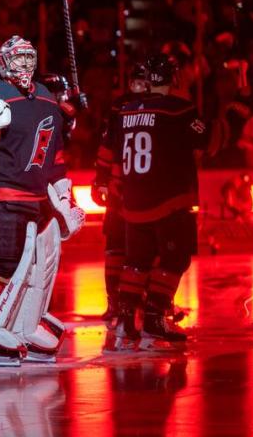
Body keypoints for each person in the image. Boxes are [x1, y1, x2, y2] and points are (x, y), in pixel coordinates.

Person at [0, 36, 84, 366]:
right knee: (6, 264)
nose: (23, 64)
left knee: (34, 266)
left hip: (34, 195)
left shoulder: (46, 99)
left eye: (29, 56)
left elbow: (55, 158)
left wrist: (65, 199)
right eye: (16, 58)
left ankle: (23, 325)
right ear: (2, 63)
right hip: (0, 192)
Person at [107, 54, 210, 352]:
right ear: (173, 79)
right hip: (169, 200)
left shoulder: (125, 109)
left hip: (133, 199)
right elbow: (207, 141)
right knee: (174, 259)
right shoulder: (178, 109)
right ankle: (154, 317)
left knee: (135, 263)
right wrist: (235, 112)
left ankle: (125, 326)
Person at [93, 63, 149, 329]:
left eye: (142, 82)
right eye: (135, 82)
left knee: (147, 248)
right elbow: (107, 144)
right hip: (120, 190)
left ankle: (146, 300)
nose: (138, 87)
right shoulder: (120, 107)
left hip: (146, 190)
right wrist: (101, 181)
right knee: (115, 247)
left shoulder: (156, 107)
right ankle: (114, 301)